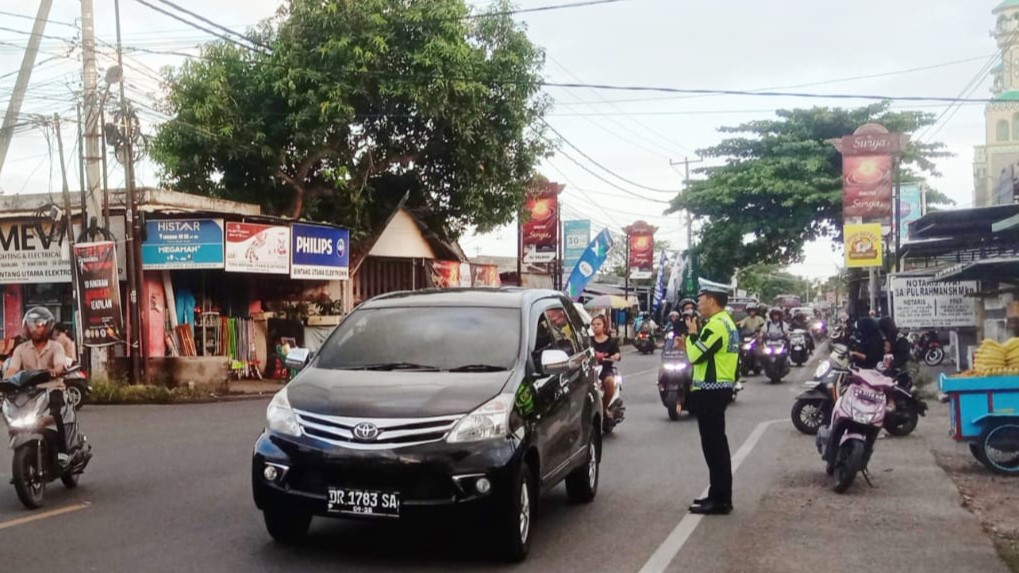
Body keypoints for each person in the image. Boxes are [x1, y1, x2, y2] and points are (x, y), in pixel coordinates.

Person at [685, 281, 739, 516]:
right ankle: (718, 495)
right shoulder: (727, 323)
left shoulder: (716, 326)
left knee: (714, 447)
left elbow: (695, 356)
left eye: (701, 299)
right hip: (719, 388)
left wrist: (691, 335)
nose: (698, 303)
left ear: (712, 301)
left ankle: (720, 500)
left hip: (711, 390)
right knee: (717, 446)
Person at [5, 307, 69, 461]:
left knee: (57, 411)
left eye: (39, 325)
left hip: (52, 387)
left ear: (48, 327)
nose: (35, 329)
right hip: (30, 392)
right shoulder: (20, 349)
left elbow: (60, 364)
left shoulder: (56, 347)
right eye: (32, 325)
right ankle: (21, 447)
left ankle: (63, 451)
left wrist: (56, 370)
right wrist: (7, 378)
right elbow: (13, 369)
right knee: (12, 412)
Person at [590, 315, 622, 415]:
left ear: (604, 326)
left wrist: (615, 356)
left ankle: (604, 408)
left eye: (598, 324)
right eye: (593, 324)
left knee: (609, 382)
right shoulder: (588, 341)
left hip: (605, 369)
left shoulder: (611, 341)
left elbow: (617, 353)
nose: (595, 326)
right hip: (590, 368)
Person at [879, 316, 912, 387]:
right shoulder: (892, 335)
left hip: (902, 369)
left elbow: (903, 356)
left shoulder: (900, 338)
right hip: (895, 366)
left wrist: (891, 365)